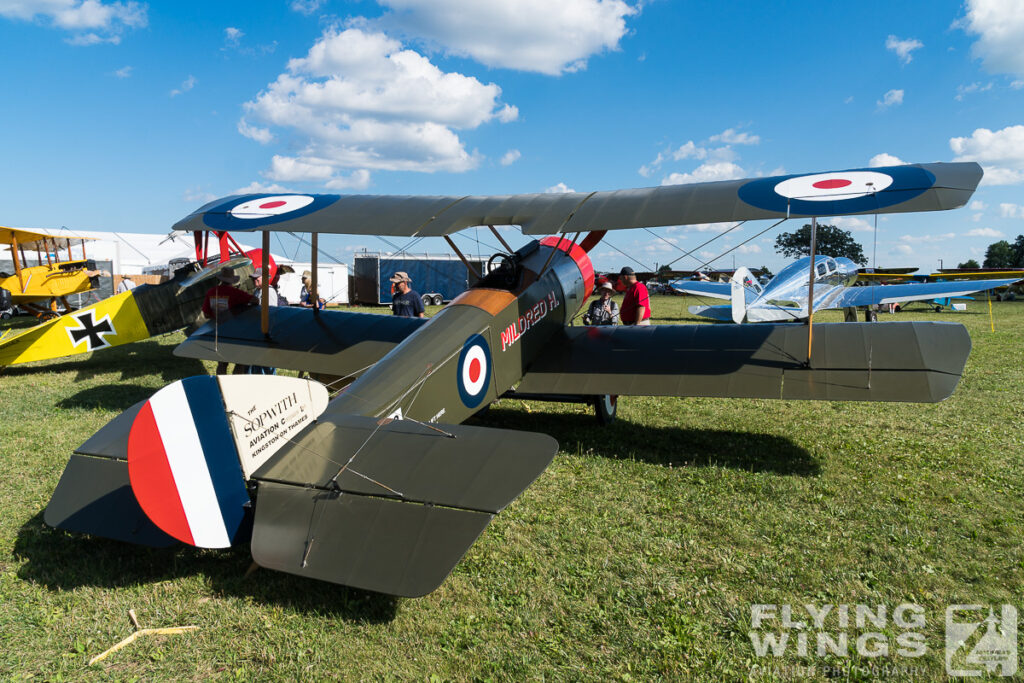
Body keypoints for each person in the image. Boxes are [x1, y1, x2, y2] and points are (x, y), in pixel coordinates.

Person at [202, 266, 257, 374]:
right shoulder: (235, 293)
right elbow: (256, 300)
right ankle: (235, 386)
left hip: (219, 332)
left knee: (222, 363)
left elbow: (206, 314)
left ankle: (220, 384)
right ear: (232, 280)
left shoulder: (211, 292)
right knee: (240, 362)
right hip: (236, 333)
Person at [248, 268, 277, 375]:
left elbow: (271, 311)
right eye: (254, 278)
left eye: (257, 278)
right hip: (258, 329)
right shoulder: (258, 291)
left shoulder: (269, 291)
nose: (254, 280)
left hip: (266, 330)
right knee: (257, 360)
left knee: (267, 361)